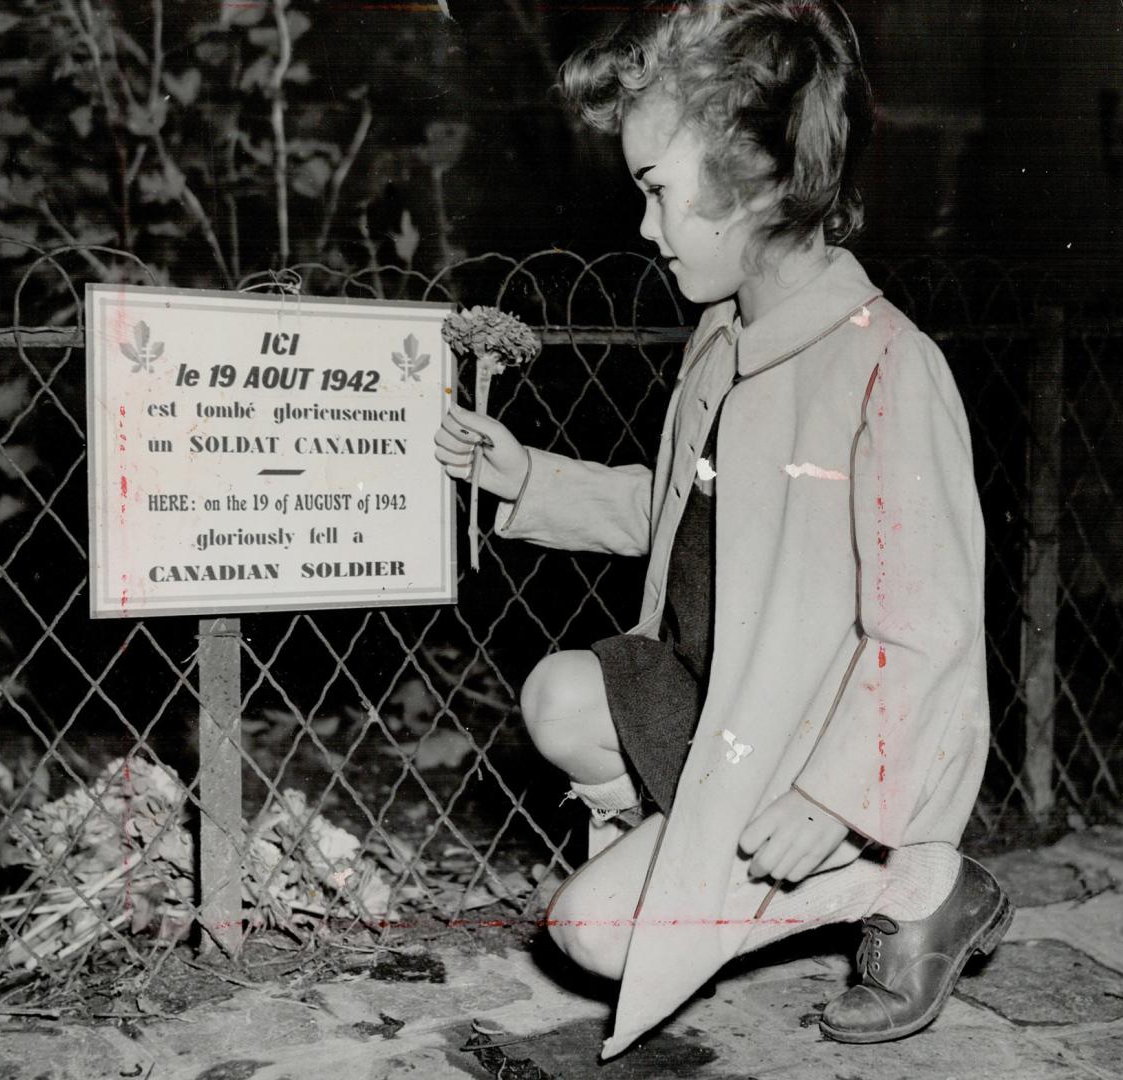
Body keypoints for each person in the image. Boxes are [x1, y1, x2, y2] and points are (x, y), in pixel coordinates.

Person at [433, 0, 1011, 1059]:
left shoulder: (887, 366)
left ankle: (916, 879)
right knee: (559, 696)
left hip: (806, 742)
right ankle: (684, 847)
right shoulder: (719, 338)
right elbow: (676, 512)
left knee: (588, 932)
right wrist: (525, 479)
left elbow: (926, 635)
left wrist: (835, 798)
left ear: (753, 180)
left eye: (656, 190)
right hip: (715, 702)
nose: (644, 228)